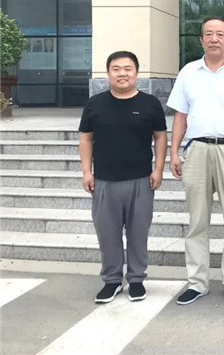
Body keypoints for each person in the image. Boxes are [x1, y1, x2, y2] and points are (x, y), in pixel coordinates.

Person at [167, 17, 224, 306]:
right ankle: (197, 282)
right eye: (209, 34)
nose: (214, 39)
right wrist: (173, 151)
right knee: (197, 220)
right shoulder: (188, 72)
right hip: (197, 150)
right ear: (201, 40)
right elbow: (180, 115)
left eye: (220, 34)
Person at [79, 50, 167, 304]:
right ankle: (112, 280)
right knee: (107, 234)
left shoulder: (150, 103)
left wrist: (158, 168)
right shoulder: (95, 104)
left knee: (138, 234)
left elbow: (160, 136)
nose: (122, 74)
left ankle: (137, 280)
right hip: (104, 181)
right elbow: (85, 138)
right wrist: (86, 171)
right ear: (108, 73)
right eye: (116, 69)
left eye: (127, 69)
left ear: (136, 73)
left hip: (141, 180)